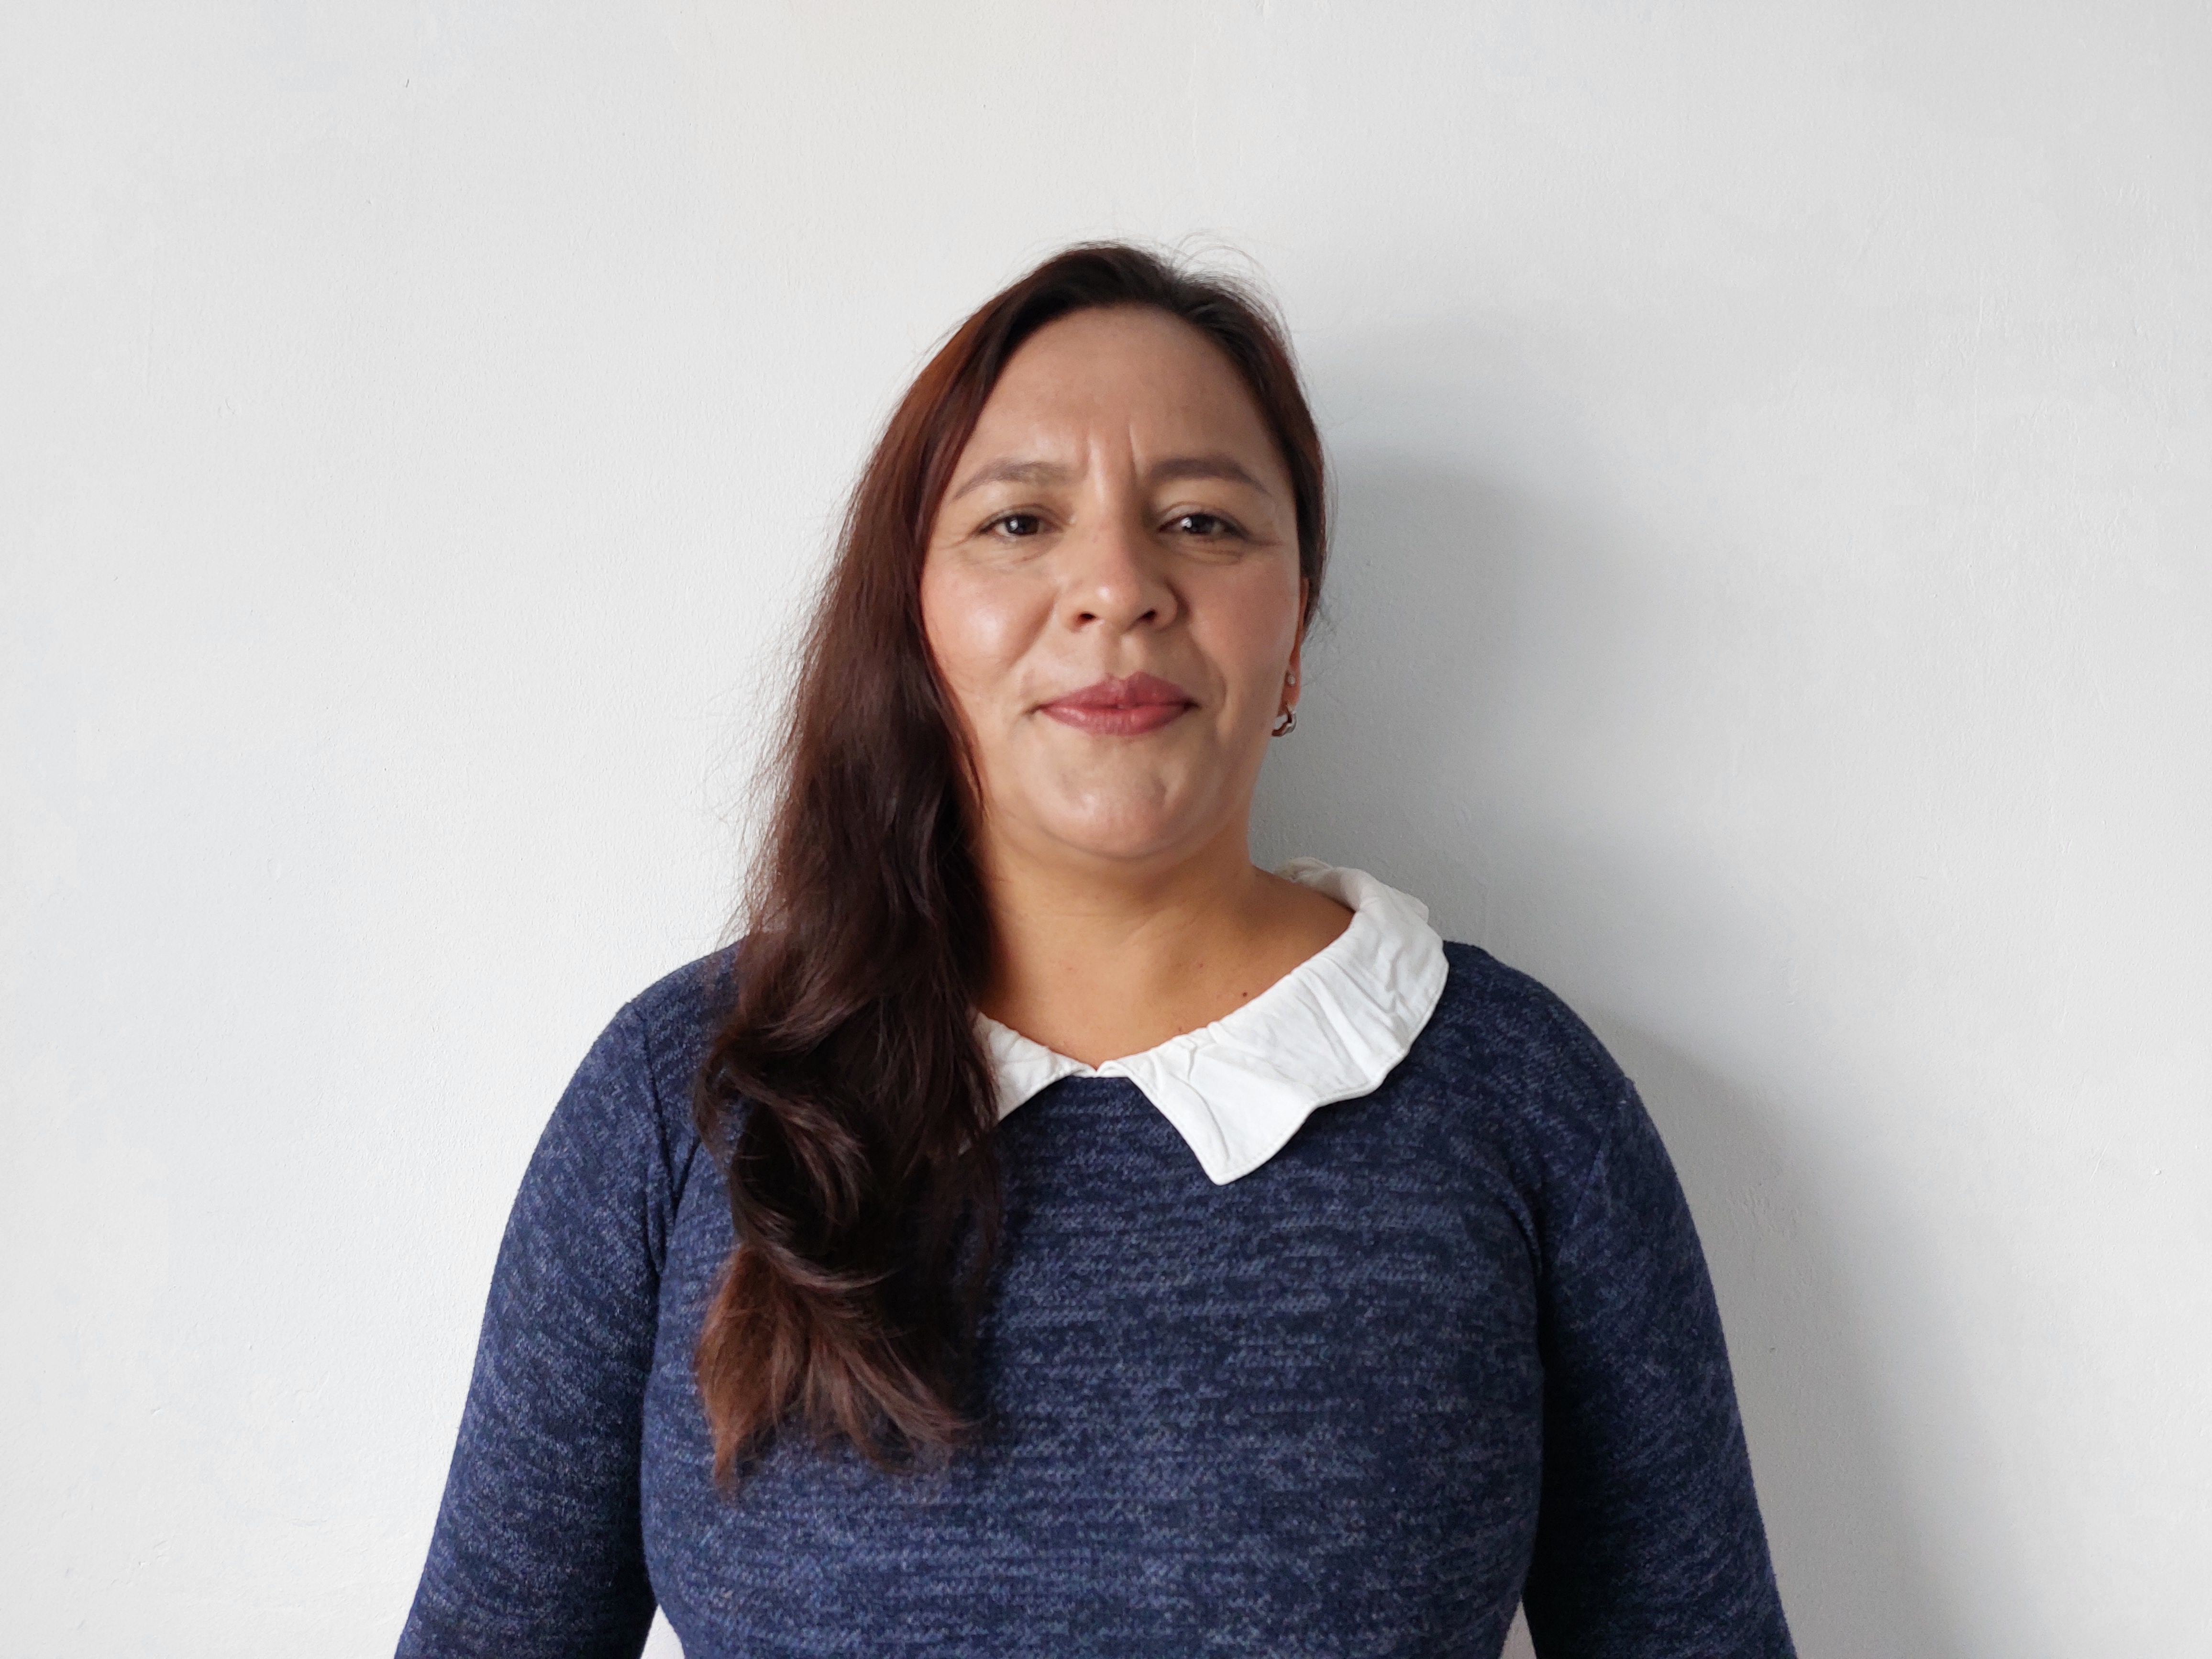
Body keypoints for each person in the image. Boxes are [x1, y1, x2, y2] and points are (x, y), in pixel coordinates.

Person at [398, 243, 1795, 1658]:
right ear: (913, 619)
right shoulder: (689, 1096)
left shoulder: (1521, 1101)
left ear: (1297, 626)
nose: (1119, 587)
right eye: (1019, 522)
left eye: (1202, 521)